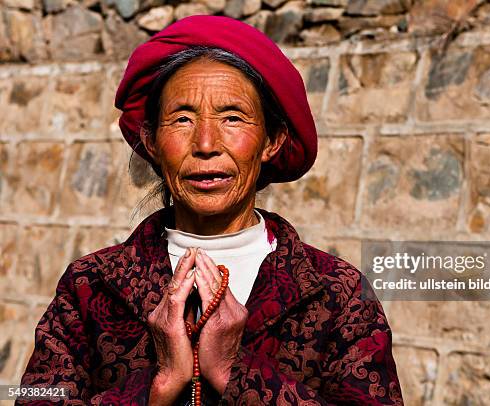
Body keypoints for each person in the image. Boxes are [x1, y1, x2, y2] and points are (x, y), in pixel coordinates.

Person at [19, 15, 404, 405]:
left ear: (271, 139)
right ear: (151, 140)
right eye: (182, 118)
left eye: (233, 117)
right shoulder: (89, 286)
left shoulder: (338, 294)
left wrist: (234, 372)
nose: (206, 143)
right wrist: (159, 383)